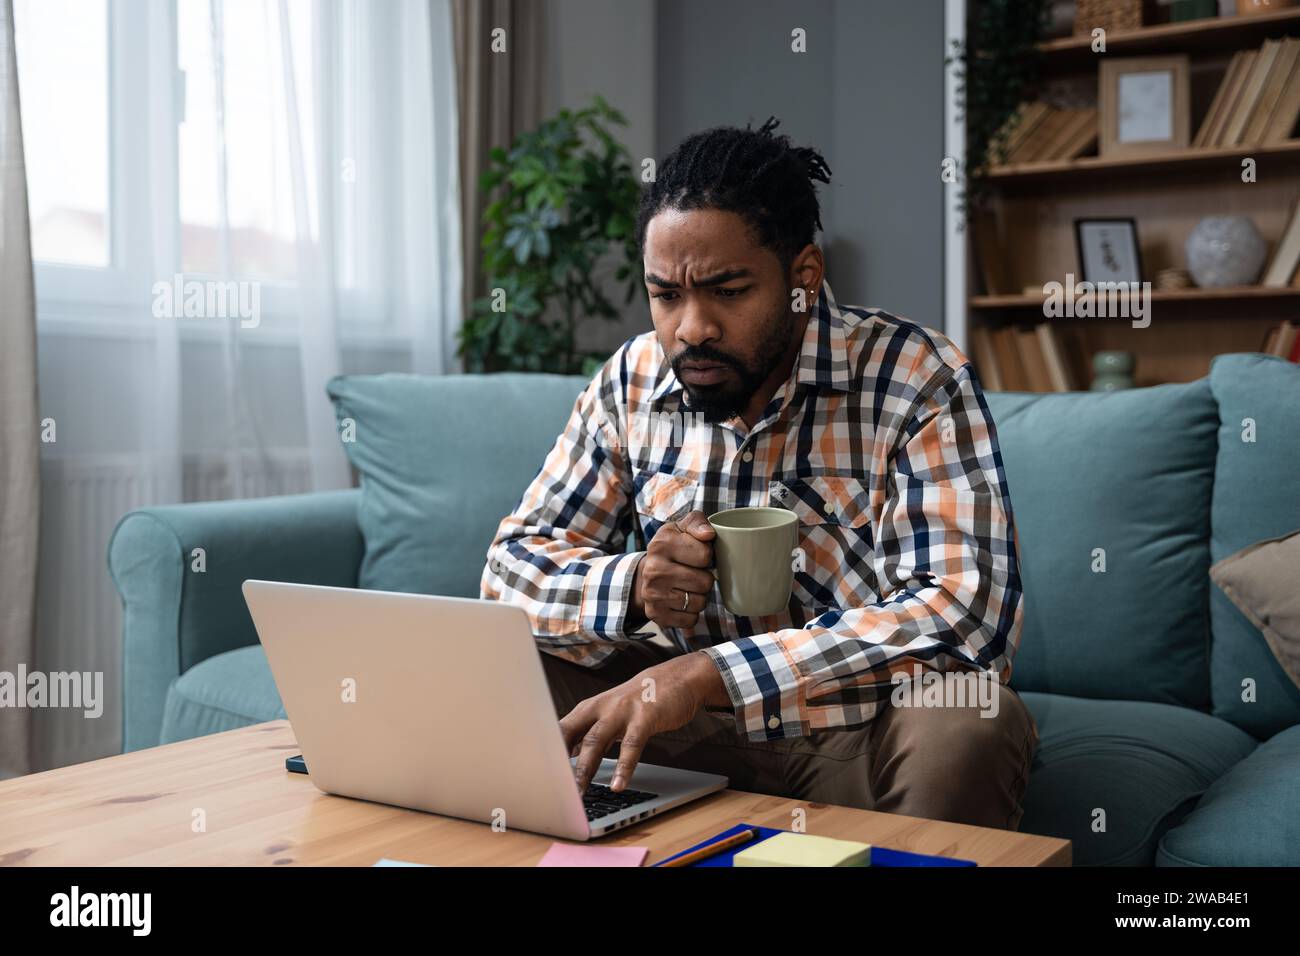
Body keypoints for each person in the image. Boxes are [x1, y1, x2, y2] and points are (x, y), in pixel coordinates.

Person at [481, 118, 1037, 830]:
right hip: (677, 728)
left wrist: (713, 674)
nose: (691, 328)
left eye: (727, 290)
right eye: (666, 295)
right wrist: (632, 586)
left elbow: (962, 615)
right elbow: (508, 571)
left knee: (971, 719)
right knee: (506, 668)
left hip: (855, 728)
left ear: (804, 277)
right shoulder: (632, 381)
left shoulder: (915, 377)